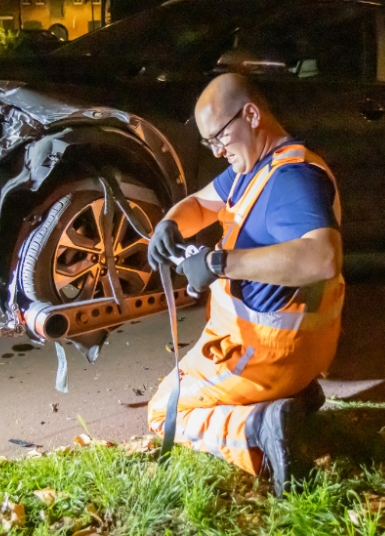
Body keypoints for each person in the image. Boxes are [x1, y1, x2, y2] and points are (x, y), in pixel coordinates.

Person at [146, 72, 345, 495]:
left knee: (163, 412)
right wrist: (170, 224)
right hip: (307, 350)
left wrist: (219, 263)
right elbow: (201, 203)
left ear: (251, 115)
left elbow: (323, 256)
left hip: (264, 354)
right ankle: (295, 400)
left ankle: (257, 426)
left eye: (220, 137)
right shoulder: (258, 166)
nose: (218, 152)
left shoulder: (291, 180)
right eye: (209, 143)